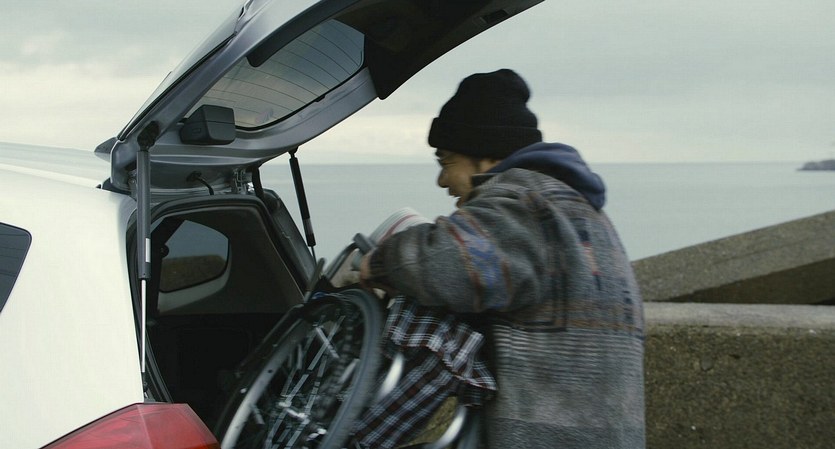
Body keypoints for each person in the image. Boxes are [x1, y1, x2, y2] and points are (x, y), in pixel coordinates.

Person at [356, 68, 646, 448]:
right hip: (603, 433)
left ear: (486, 156)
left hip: (549, 437)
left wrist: (379, 262)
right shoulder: (575, 207)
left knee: (428, 307)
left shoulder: (524, 204)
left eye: (446, 162)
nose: (442, 181)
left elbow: (445, 263)